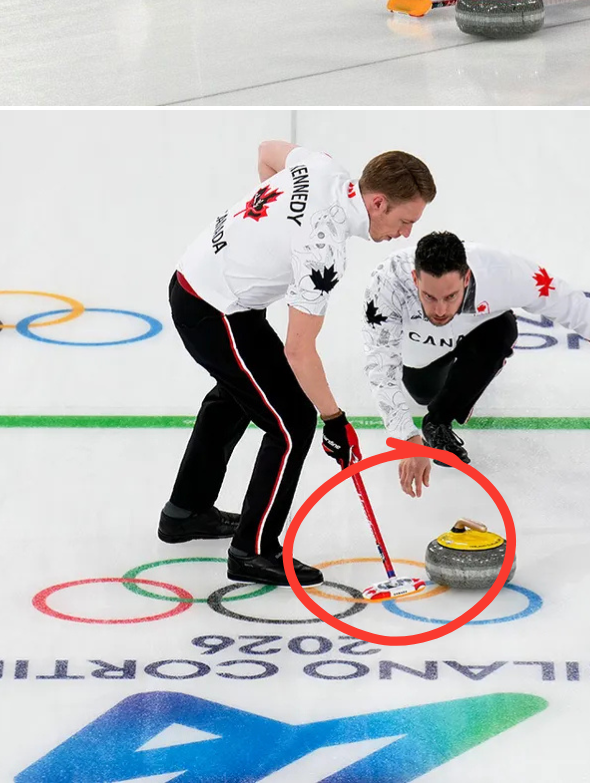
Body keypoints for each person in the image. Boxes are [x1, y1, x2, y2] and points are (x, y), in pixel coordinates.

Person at [160, 142, 436, 588]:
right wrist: (334, 419)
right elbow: (299, 350)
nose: (405, 234)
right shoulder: (322, 248)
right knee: (292, 423)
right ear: (378, 202)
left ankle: (185, 511)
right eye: (405, 221)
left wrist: (267, 234)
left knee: (239, 393)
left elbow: (268, 153)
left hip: (208, 285)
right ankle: (253, 551)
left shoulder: (324, 165)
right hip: (212, 308)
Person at [364, 230, 590, 497]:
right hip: (422, 350)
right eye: (429, 297)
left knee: (503, 327)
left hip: (476, 331)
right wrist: (408, 442)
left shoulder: (505, 273)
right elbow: (380, 369)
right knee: (423, 392)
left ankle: (439, 421)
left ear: (466, 278)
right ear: (414, 279)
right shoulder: (387, 283)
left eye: (451, 296)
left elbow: (582, 311)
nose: (441, 310)